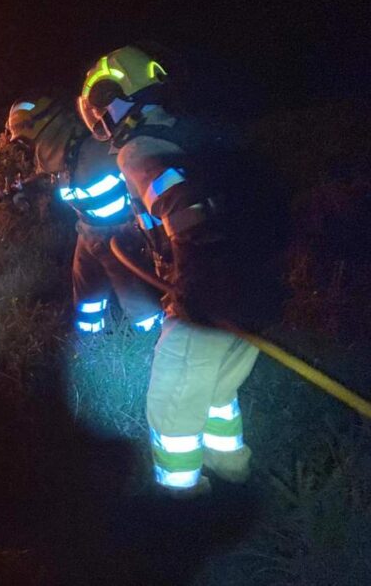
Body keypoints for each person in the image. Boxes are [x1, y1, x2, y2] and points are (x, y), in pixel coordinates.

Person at [77, 45, 259, 496]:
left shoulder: (139, 149)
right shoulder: (184, 133)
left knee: (171, 406)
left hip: (209, 296)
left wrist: (192, 295)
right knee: (216, 393)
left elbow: (183, 207)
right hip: (253, 291)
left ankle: (182, 500)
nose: (99, 121)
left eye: (97, 109)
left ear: (111, 101)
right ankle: (232, 469)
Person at [4, 98, 163, 337]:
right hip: (88, 234)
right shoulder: (58, 160)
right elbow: (52, 179)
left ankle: (152, 345)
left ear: (43, 127)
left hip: (121, 234)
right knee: (87, 302)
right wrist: (24, 192)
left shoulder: (102, 148)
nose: (29, 147)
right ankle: (91, 344)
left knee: (138, 301)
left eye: (27, 139)